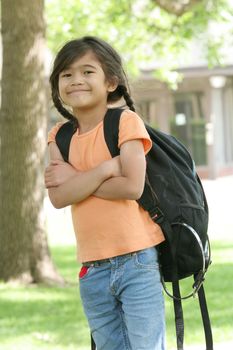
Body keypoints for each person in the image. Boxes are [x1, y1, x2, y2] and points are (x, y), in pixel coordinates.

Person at [45, 36, 166, 350]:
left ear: (111, 82)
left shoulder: (126, 122)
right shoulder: (59, 135)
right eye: (67, 74)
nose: (76, 81)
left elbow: (131, 186)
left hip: (137, 260)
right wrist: (103, 169)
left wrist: (75, 181)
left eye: (88, 72)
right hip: (91, 268)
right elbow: (58, 197)